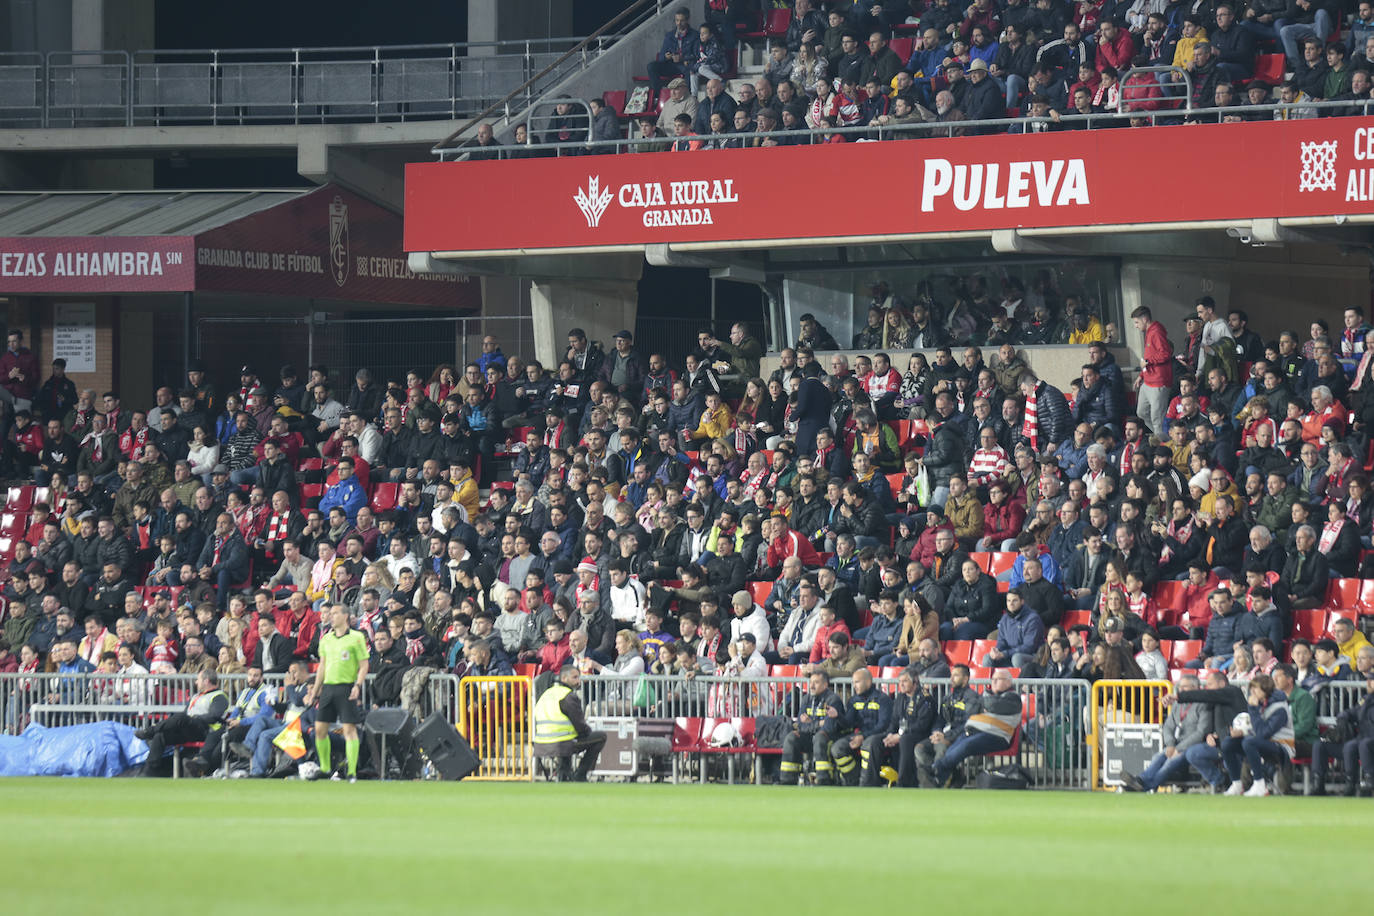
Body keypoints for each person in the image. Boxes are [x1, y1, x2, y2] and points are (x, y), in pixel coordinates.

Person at [303, 603, 370, 782]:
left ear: (345, 616)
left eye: (334, 613)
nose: (330, 616)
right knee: (319, 729)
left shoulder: (356, 637)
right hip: (328, 688)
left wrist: (357, 685)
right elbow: (322, 667)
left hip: (346, 687)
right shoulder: (326, 639)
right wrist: (314, 692)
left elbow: (364, 665)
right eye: (329, 614)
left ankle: (352, 771)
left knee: (349, 729)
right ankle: (325, 768)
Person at [927, 668, 1023, 787]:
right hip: (974, 732)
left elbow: (993, 705)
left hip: (996, 736)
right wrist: (984, 702)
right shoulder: (987, 695)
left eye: (998, 679)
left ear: (1009, 682)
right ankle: (940, 780)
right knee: (953, 747)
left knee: (967, 746)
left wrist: (983, 702)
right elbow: (984, 705)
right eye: (993, 679)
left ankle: (936, 768)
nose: (994, 682)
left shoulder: (1013, 698)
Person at [1122, 674, 1213, 792]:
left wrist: (1178, 748)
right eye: (1180, 687)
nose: (1180, 690)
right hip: (1176, 744)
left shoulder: (1203, 705)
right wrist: (1170, 744)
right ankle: (1140, 780)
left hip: (1194, 746)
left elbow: (1201, 733)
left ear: (1195, 688)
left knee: (1169, 763)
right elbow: (1168, 726)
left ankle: (1143, 786)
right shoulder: (1178, 704)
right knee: (1158, 757)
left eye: (1184, 687)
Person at [135, 669, 228, 777]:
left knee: (181, 717)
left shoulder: (219, 696)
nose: (196, 682)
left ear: (206, 681)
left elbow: (214, 716)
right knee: (161, 735)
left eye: (198, 680)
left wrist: (194, 718)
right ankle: (149, 771)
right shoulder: (196, 696)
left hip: (205, 731)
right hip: (189, 729)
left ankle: (150, 731)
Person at [1220, 673, 1294, 796]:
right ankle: (1237, 784)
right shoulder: (1260, 704)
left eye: (1256, 689)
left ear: (1265, 690)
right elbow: (1256, 728)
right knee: (1228, 743)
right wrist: (1242, 732)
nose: (1252, 692)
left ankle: (1259, 784)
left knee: (1249, 742)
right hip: (1261, 743)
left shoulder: (1280, 709)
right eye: (1251, 689)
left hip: (1281, 746)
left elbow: (1263, 733)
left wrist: (1253, 709)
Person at [863, 667, 936, 788]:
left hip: (919, 735)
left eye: (905, 681)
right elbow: (894, 721)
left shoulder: (926, 698)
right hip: (901, 733)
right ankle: (871, 783)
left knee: (905, 740)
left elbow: (922, 725)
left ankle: (903, 783)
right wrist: (890, 735)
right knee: (876, 741)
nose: (901, 684)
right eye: (900, 681)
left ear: (915, 682)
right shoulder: (900, 698)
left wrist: (900, 735)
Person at [532, 663, 606, 781]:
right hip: (561, 744)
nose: (578, 681)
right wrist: (587, 732)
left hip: (540, 744)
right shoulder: (567, 696)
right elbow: (580, 724)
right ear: (564, 678)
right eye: (575, 677)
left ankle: (564, 773)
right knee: (601, 736)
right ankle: (580, 775)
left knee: (569, 738)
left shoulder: (546, 694)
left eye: (579, 677)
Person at [1309, 674, 1374, 796]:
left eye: (1372, 681)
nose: (1369, 683)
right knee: (1321, 745)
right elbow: (1353, 712)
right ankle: (1319, 784)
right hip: (1362, 741)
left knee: (1360, 745)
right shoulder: (1367, 700)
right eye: (1368, 680)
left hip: (1368, 743)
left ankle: (1368, 781)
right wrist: (1342, 717)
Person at [778, 670, 846, 785]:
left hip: (830, 738)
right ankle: (787, 780)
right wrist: (818, 723)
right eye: (811, 682)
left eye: (816, 683)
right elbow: (800, 724)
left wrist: (810, 723)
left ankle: (824, 779)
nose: (812, 686)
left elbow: (829, 727)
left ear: (825, 685)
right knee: (791, 737)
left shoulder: (833, 700)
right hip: (811, 736)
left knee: (820, 737)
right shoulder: (806, 699)